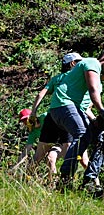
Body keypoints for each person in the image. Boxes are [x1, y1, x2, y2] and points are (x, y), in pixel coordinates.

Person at [48, 48, 104, 187]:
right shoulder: (91, 62)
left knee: (101, 138)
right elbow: (92, 89)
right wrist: (102, 111)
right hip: (64, 104)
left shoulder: (97, 70)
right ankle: (65, 178)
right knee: (82, 133)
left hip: (74, 108)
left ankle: (90, 179)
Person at [28, 52, 89, 181]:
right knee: (69, 151)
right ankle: (66, 181)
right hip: (67, 114)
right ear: (73, 64)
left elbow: (40, 95)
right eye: (79, 63)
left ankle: (24, 179)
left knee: (39, 154)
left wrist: (33, 113)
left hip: (52, 116)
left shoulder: (56, 78)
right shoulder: (78, 78)